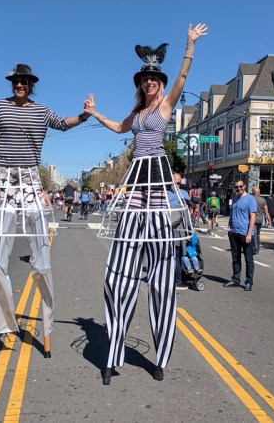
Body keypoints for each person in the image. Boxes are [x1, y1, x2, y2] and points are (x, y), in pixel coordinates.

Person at [84, 22, 208, 384]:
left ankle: (161, 358)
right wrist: (95, 113)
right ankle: (113, 354)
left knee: (161, 282)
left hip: (157, 189)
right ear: (139, 84)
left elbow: (183, 76)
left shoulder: (166, 106)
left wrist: (190, 44)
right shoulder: (137, 115)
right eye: (144, 78)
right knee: (117, 276)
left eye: (154, 78)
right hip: (135, 188)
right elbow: (119, 128)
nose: (149, 82)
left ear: (159, 83)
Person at [0, 63, 90, 359]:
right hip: (5, 181)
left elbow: (62, 123)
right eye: (16, 81)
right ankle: (0, 324)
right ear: (12, 83)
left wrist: (84, 116)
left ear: (31, 84)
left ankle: (47, 327)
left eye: (24, 81)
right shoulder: (0, 106)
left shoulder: (40, 111)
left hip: (30, 181)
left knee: (41, 258)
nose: (20, 85)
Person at [224, 180, 256, 290]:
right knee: (235, 258)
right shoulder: (235, 199)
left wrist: (249, 233)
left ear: (244, 186)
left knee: (249, 259)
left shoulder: (250, 199)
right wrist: (229, 226)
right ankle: (235, 279)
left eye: (240, 186)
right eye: (236, 187)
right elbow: (232, 213)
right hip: (234, 232)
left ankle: (249, 282)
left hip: (245, 233)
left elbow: (252, 217)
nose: (239, 188)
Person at [251, 186, 271, 255]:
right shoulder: (263, 200)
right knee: (257, 235)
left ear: (253, 192)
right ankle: (257, 248)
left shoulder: (250, 199)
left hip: (252, 220)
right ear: (259, 192)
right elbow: (266, 211)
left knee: (254, 235)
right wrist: (269, 221)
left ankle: (255, 249)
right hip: (260, 220)